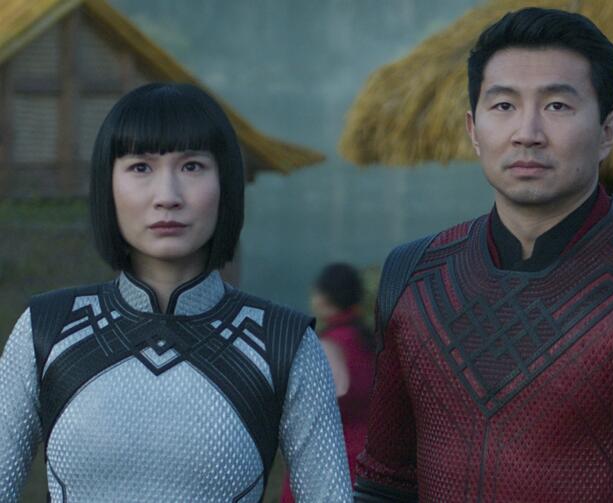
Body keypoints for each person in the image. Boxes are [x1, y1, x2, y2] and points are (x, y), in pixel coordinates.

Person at [353, 7, 613, 502]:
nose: (527, 132)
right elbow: (384, 484)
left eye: (557, 106)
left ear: (607, 131)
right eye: (503, 106)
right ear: (473, 128)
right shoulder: (413, 278)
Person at [0, 83, 351, 502]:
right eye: (140, 167)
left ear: (226, 183)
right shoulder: (47, 330)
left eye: (192, 166)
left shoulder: (283, 344)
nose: (167, 197)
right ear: (107, 184)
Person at [283, 263, 375, 502]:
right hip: (367, 466)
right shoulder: (368, 340)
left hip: (329, 464)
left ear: (324, 298)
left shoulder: (329, 345)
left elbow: (328, 399)